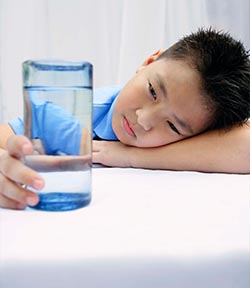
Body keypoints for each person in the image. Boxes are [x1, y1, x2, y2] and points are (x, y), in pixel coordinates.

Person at [0, 27, 249, 210]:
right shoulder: (74, 111)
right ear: (148, 62)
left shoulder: (202, 124)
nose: (144, 120)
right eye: (152, 91)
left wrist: (129, 156)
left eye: (173, 126)